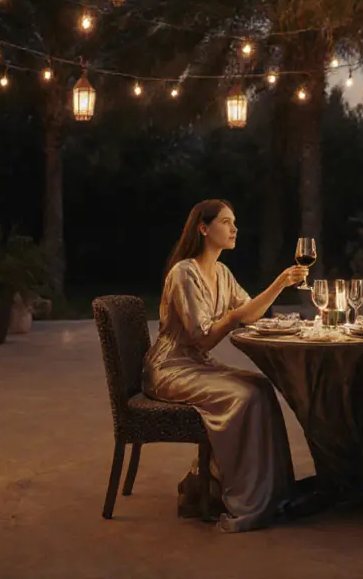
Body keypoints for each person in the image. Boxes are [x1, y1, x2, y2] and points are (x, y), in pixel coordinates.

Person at [144, 199, 308, 532]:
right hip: (170, 368)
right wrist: (232, 317)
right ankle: (236, 493)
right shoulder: (184, 273)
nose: (234, 229)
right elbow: (200, 338)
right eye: (226, 222)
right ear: (203, 228)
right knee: (242, 397)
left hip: (197, 364)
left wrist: (280, 283)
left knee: (262, 387)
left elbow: (250, 312)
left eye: (234, 222)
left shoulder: (221, 272)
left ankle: (268, 493)